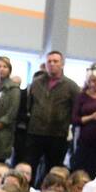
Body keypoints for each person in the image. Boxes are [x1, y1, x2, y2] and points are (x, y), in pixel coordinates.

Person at [24, 50, 79, 184]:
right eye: (49, 61)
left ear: (62, 64)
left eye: (56, 61)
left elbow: (75, 110)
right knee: (30, 166)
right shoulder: (36, 83)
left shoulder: (71, 86)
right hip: (35, 133)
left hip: (58, 135)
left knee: (52, 169)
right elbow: (28, 105)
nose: (52, 64)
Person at [69, 63, 96, 174]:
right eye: (90, 81)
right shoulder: (82, 96)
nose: (93, 84)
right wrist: (92, 117)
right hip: (85, 144)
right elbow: (75, 119)